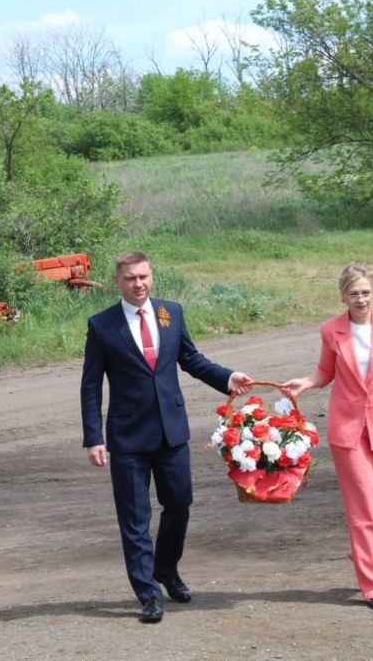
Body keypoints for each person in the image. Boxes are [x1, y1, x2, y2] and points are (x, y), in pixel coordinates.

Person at [80, 251, 250, 624]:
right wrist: (94, 437)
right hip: (127, 439)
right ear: (118, 282)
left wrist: (226, 378)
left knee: (179, 504)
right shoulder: (102, 325)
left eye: (143, 277)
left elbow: (190, 358)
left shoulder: (169, 313)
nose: (138, 284)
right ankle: (148, 594)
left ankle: (166, 569)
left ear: (151, 276)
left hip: (171, 432)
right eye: (130, 279)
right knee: (135, 519)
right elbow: (91, 385)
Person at [282, 263, 373, 611]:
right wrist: (305, 382)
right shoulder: (331, 330)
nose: (361, 299)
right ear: (343, 296)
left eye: (366, 292)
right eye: (354, 293)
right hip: (348, 430)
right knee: (364, 508)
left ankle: (365, 549)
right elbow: (325, 371)